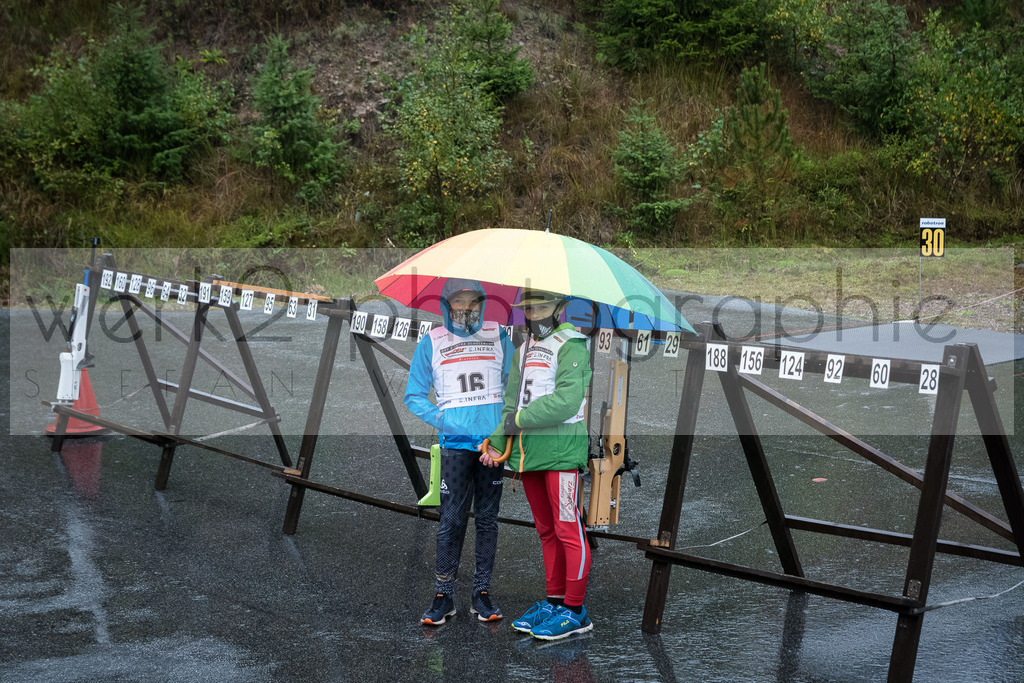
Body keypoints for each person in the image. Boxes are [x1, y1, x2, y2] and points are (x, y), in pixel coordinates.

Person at [480, 289, 594, 640]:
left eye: (543, 307)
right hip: (530, 456)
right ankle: (554, 602)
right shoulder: (521, 352)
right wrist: (497, 441)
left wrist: (520, 420)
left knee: (567, 529)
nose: (535, 314)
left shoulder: (573, 345)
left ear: (559, 308)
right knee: (546, 530)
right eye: (529, 308)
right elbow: (511, 402)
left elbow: (566, 401)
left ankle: (575, 611)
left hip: (561, 453)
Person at [405, 278, 513, 625]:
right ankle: (443, 596)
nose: (466, 310)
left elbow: (516, 389)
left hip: (491, 447)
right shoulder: (432, 342)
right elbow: (414, 395)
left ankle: (481, 594)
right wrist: (445, 421)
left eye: (473, 302)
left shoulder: (500, 335)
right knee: (450, 520)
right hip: (454, 447)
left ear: (482, 303)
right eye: (458, 303)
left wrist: (502, 432)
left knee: (487, 521)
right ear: (446, 305)